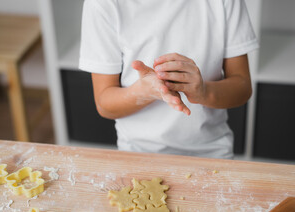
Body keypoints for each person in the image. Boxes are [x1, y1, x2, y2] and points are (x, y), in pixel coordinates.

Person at [79, 0, 259, 159]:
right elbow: (104, 104)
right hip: (137, 153)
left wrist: (203, 92)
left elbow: (242, 87)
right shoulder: (103, 4)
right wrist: (143, 92)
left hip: (212, 153)